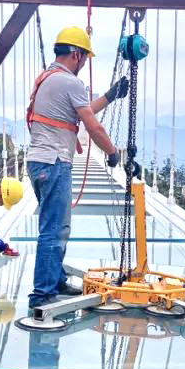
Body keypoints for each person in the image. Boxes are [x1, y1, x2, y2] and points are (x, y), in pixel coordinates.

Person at [25, 25, 128, 309]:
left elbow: (81, 111)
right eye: (84, 58)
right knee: (54, 227)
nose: (84, 64)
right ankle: (42, 294)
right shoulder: (70, 82)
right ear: (76, 54)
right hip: (55, 161)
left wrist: (109, 96)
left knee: (59, 225)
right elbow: (91, 125)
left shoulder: (49, 78)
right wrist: (112, 153)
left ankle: (54, 280)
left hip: (40, 161)